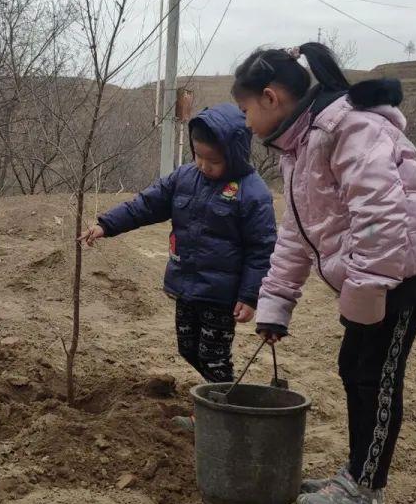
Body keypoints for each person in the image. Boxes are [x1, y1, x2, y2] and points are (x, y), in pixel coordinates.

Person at [233, 42, 416, 504]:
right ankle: (356, 473)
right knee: (356, 368)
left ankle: (365, 491)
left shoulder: (349, 128)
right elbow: (297, 235)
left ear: (271, 98)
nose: (246, 122)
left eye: (245, 109)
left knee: (374, 376)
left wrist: (370, 287)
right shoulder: (301, 146)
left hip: (402, 272)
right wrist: (275, 305)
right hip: (375, 274)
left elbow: (380, 214)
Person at [80, 105, 277, 429]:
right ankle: (224, 404)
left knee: (214, 358)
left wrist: (250, 295)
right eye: (199, 156)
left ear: (236, 154)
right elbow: (146, 204)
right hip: (186, 285)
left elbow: (262, 248)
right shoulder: (185, 178)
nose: (204, 166)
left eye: (213, 161)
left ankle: (217, 420)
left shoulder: (251, 193)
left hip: (222, 295)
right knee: (188, 348)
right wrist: (107, 225)